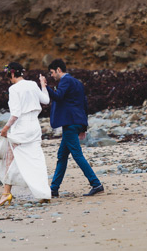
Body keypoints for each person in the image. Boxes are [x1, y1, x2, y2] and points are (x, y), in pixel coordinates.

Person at [0, 62, 51, 206]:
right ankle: (43, 193)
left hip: (21, 127)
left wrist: (5, 128)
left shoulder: (14, 89)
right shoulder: (33, 84)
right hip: (35, 126)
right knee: (36, 159)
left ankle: (6, 194)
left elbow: (15, 114)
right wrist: (43, 85)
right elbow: (46, 100)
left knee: (9, 157)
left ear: (11, 73)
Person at [40, 59, 104, 197]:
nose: (51, 75)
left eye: (52, 73)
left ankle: (96, 184)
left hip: (70, 123)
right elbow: (84, 104)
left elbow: (58, 96)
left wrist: (45, 87)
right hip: (77, 122)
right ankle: (54, 189)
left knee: (77, 154)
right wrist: (83, 127)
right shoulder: (78, 83)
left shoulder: (65, 80)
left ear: (58, 69)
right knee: (62, 156)